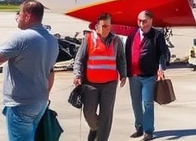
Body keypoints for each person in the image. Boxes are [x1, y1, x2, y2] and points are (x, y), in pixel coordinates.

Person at [0, 0, 59, 141]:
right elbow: (50, 73)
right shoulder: (51, 39)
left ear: (27, 16)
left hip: (21, 104)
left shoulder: (22, 38)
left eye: (19, 14)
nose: (17, 18)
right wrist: (44, 95)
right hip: (39, 102)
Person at [73, 13, 127, 141]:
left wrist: (123, 74)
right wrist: (78, 75)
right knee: (89, 113)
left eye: (108, 26)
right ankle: (95, 128)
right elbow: (79, 59)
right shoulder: (88, 39)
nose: (107, 28)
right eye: (104, 26)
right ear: (97, 27)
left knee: (106, 116)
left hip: (109, 84)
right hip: (91, 83)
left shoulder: (116, 40)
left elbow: (121, 59)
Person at [126, 10, 171, 141]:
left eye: (144, 21)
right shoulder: (132, 34)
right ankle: (139, 126)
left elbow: (163, 53)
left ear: (151, 20)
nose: (141, 23)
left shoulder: (157, 35)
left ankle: (148, 131)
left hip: (149, 76)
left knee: (147, 103)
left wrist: (161, 68)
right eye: (139, 20)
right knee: (135, 103)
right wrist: (124, 72)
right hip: (133, 75)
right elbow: (126, 52)